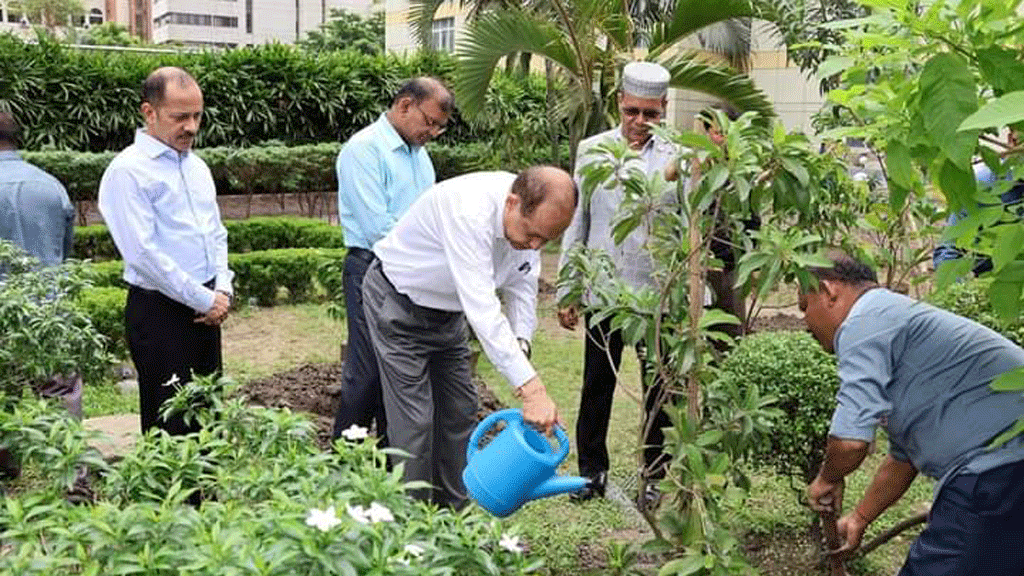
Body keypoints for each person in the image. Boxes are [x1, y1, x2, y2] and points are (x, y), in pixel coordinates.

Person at [363, 166, 576, 509]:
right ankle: (412, 529)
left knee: (460, 410)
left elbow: (522, 287)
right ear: (512, 202)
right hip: (398, 305)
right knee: (415, 422)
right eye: (532, 234)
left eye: (546, 240)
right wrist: (531, 389)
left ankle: (454, 516)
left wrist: (521, 347)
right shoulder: (468, 211)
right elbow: (482, 308)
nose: (535, 246)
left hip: (447, 315)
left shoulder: (528, 223)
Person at [802, 252, 1024, 575]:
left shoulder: (863, 322)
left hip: (996, 471)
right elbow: (903, 460)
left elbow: (851, 442)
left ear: (828, 291)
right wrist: (860, 517)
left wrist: (826, 478)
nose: (804, 322)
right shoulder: (889, 318)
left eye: (804, 305)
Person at [556, 61, 676, 507]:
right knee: (596, 387)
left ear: (664, 108)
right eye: (632, 112)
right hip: (604, 294)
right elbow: (578, 222)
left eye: (651, 114)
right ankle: (591, 475)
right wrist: (570, 287)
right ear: (619, 104)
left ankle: (656, 476)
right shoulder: (592, 150)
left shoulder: (679, 155)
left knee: (660, 392)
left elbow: (689, 226)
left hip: (659, 297)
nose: (640, 123)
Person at [99, 67, 234, 436]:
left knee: (208, 417)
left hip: (207, 307)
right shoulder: (128, 171)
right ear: (149, 112)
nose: (191, 127)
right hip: (161, 312)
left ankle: (205, 494)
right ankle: (172, 496)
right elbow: (143, 253)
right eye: (180, 117)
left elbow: (215, 232)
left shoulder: (197, 167)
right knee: (170, 423)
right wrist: (203, 298)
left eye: (197, 116)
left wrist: (221, 288)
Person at [331, 77, 453, 444]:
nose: (432, 132)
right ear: (404, 106)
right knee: (367, 372)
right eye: (429, 122)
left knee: (400, 374)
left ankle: (392, 469)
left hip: (414, 274)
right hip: (372, 268)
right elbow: (377, 228)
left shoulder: (421, 156)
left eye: (439, 127)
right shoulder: (364, 150)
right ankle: (343, 465)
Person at [0, 110, 81, 479]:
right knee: (62, 395)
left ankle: (5, 467)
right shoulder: (50, 185)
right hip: (50, 313)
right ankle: (74, 481)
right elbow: (64, 253)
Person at [932, 131, 1024, 275]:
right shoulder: (983, 184)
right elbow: (948, 252)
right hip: (989, 280)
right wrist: (964, 292)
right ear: (1012, 141)